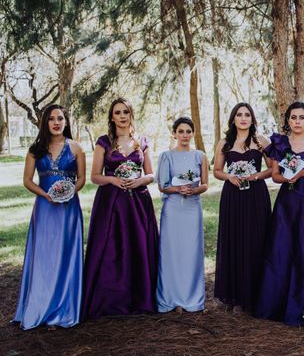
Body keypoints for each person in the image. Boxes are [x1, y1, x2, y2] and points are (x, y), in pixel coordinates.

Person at [82, 98, 159, 320]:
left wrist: (140, 181)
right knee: (112, 248)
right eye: (118, 112)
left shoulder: (142, 142)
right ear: (112, 117)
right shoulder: (103, 142)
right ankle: (110, 300)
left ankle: (140, 298)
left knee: (138, 246)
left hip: (138, 202)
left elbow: (151, 174)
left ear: (130, 114)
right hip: (111, 203)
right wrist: (114, 180)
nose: (122, 116)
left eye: (126, 112)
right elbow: (95, 176)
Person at [254, 101, 304, 326]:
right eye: (293, 118)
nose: (297, 121)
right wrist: (287, 177)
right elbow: (275, 175)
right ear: (288, 121)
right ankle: (277, 303)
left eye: (301, 117)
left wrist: (303, 172)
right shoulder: (281, 143)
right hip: (287, 203)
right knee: (282, 250)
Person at [13, 104, 85, 329]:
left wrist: (70, 192)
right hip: (44, 208)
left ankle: (62, 308)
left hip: (69, 209)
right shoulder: (36, 149)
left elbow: (82, 178)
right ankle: (39, 306)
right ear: (45, 122)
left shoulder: (76, 147)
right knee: (44, 255)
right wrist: (45, 195)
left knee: (65, 254)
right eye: (52, 118)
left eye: (60, 118)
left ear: (66, 122)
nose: (56, 122)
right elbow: (27, 180)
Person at [213, 103, 271, 312]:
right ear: (233, 119)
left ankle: (254, 293)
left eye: (247, 115)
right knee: (234, 239)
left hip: (256, 195)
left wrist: (254, 175)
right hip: (232, 195)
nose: (243, 118)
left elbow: (273, 169)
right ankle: (234, 294)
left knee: (255, 240)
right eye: (239, 115)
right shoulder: (225, 142)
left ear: (252, 119)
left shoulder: (260, 141)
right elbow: (217, 171)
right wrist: (229, 176)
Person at [156, 117, 208, 313]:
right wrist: (178, 189)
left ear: (192, 134)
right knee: (171, 252)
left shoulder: (199, 156)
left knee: (191, 251)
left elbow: (204, 184)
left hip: (193, 209)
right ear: (174, 133)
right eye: (181, 131)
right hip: (173, 209)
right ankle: (170, 296)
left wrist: (194, 191)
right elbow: (163, 185)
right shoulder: (166, 156)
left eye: (188, 131)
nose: (185, 135)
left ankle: (192, 297)